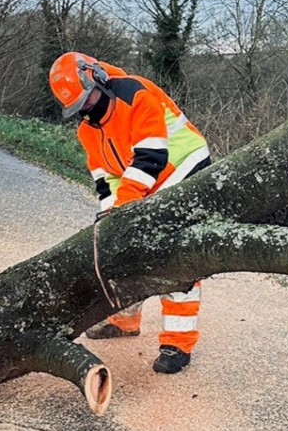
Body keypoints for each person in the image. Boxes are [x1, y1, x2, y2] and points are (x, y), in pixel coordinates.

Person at [48, 51, 211, 374]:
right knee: (124, 249)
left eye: (87, 99)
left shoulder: (135, 94)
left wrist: (126, 205)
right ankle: (125, 319)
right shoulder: (87, 129)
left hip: (184, 169)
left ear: (96, 77)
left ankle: (178, 343)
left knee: (174, 259)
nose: (86, 108)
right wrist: (112, 214)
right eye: (79, 106)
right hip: (144, 179)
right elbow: (105, 178)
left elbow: (151, 156)